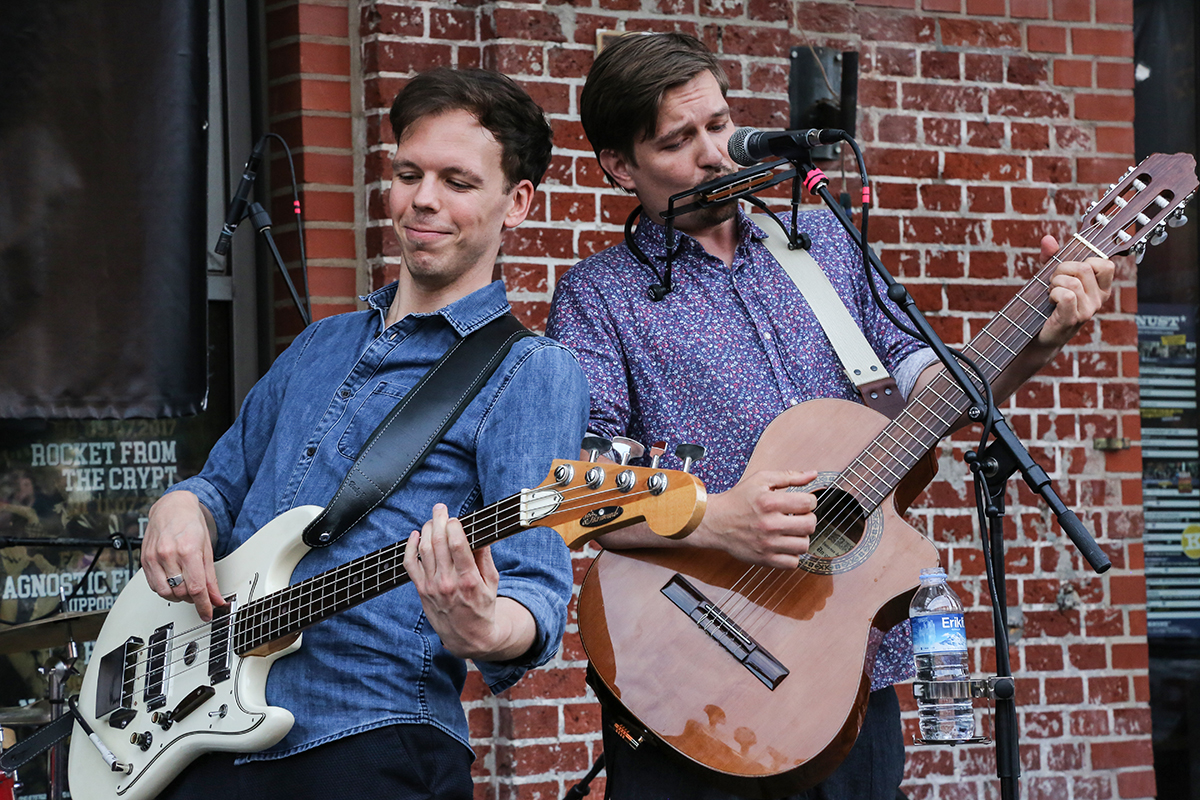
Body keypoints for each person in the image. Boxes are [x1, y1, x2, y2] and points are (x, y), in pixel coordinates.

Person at [546, 32, 1113, 800]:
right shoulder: (598, 298)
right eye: (679, 141)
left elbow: (932, 395)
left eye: (718, 125)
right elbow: (576, 491)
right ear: (620, 165)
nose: (714, 154)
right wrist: (718, 519)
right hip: (683, 674)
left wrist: (1039, 343)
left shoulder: (824, 244)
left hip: (843, 676)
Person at [139, 68, 590, 800]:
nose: (424, 200)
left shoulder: (532, 371)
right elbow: (220, 485)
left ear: (518, 203)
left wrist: (485, 626)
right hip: (206, 733)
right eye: (408, 173)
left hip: (369, 740)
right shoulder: (320, 345)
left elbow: (535, 591)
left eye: (457, 181)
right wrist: (179, 506)